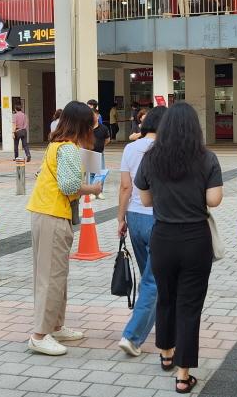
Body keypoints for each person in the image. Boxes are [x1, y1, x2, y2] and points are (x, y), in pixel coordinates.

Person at [135, 102, 223, 394]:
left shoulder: (151, 158)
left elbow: (146, 201)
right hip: (196, 239)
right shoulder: (207, 158)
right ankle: (183, 375)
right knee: (189, 305)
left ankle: (166, 353)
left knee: (166, 297)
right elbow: (214, 200)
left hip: (163, 237)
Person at [26, 101, 103, 356]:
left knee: (53, 274)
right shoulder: (69, 149)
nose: (94, 127)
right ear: (81, 124)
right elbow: (70, 186)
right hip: (53, 215)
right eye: (92, 123)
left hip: (44, 212)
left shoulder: (55, 145)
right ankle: (39, 335)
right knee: (52, 276)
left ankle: (55, 326)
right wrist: (93, 188)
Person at [117, 106, 167, 356]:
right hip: (157, 217)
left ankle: (159, 322)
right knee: (153, 280)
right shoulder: (165, 150)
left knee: (151, 275)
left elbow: (125, 187)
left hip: (135, 217)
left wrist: (120, 218)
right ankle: (132, 336)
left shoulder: (130, 149)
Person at [92, 108, 111, 200]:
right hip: (89, 153)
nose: (93, 117)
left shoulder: (104, 128)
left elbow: (107, 140)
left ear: (98, 116)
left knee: (100, 173)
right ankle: (91, 191)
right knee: (91, 173)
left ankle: (99, 192)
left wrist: (101, 146)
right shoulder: (86, 127)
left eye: (95, 115)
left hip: (100, 153)